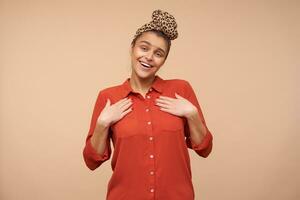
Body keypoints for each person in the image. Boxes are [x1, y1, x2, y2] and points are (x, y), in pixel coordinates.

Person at [82, 9, 213, 200]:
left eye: (158, 53)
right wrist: (102, 125)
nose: (149, 57)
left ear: (163, 61)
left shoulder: (181, 90)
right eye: (144, 48)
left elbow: (205, 149)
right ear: (132, 48)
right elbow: (91, 161)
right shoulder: (108, 97)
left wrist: (192, 114)